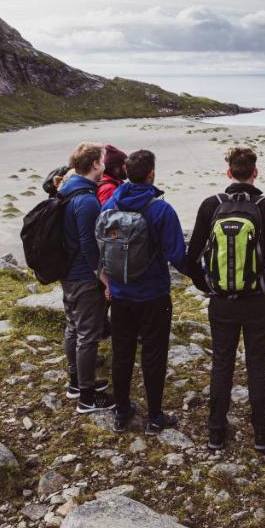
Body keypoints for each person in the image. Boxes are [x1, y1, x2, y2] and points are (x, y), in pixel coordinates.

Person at [184, 147, 265, 452]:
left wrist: (204, 284)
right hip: (259, 301)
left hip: (221, 302)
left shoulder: (211, 205)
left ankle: (216, 433)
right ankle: (262, 433)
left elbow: (190, 256)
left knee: (221, 363)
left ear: (228, 173)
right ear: (255, 173)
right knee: (257, 367)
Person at [98, 149, 187, 432]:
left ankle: (122, 412)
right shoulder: (161, 209)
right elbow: (177, 255)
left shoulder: (110, 203)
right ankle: (155, 417)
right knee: (154, 355)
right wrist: (202, 279)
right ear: (151, 174)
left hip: (121, 294)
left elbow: (100, 243)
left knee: (121, 353)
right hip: (154, 294)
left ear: (126, 171)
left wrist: (107, 281)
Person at [57, 144, 111, 412]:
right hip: (83, 276)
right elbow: (90, 247)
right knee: (88, 335)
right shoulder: (87, 200)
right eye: (102, 160)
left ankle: (76, 382)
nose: (105, 164)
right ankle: (87, 398)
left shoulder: (67, 190)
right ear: (95, 165)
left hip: (68, 273)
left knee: (73, 327)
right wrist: (104, 279)